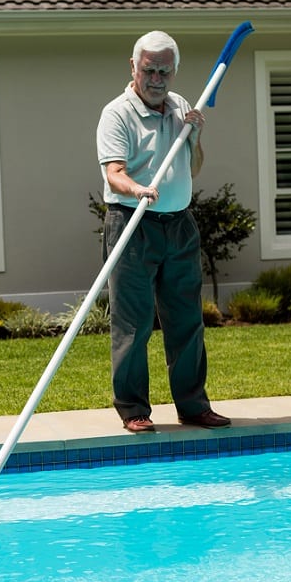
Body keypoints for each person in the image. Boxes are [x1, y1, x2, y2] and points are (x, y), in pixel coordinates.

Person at [96, 30, 231, 433]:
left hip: (180, 225)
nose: (156, 79)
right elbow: (114, 173)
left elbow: (193, 168)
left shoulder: (181, 107)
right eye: (149, 70)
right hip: (132, 224)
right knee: (133, 322)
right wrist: (138, 189)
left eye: (165, 72)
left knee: (187, 318)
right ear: (133, 67)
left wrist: (196, 136)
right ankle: (133, 409)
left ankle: (193, 405)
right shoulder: (116, 113)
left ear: (174, 72)